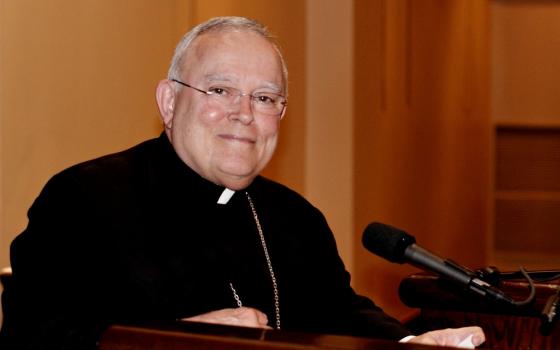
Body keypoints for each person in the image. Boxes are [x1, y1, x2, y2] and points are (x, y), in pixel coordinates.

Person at [0, 16, 484, 349]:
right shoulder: (83, 199)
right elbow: (34, 334)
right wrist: (178, 342)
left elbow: (337, 312)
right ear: (169, 102)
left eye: (266, 97)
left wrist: (407, 343)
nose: (244, 114)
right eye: (219, 90)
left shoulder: (295, 217)